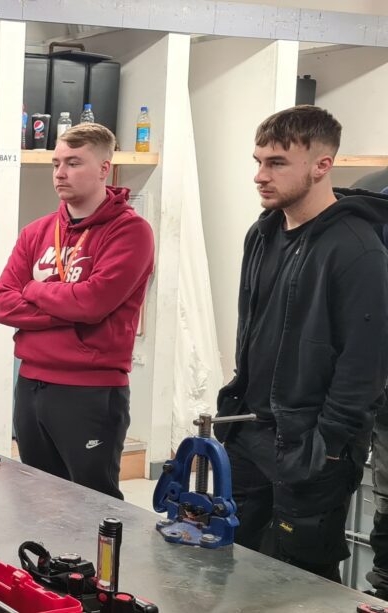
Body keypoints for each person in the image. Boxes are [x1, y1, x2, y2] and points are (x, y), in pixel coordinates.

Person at [213, 105, 388, 582]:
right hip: (250, 431)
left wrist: (327, 444)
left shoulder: (358, 249)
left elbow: (366, 365)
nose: (260, 176)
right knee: (234, 565)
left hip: (312, 445)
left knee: (303, 581)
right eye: (258, 161)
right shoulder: (262, 234)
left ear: (321, 165)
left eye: (276, 163)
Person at [0, 123, 154, 500]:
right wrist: (70, 305)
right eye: (56, 164)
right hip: (31, 385)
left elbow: (93, 302)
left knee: (91, 503)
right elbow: (3, 304)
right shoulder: (36, 232)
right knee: (35, 498)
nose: (60, 173)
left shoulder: (130, 232)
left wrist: (34, 290)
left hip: (91, 391)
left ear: (104, 168)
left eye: (74, 163)